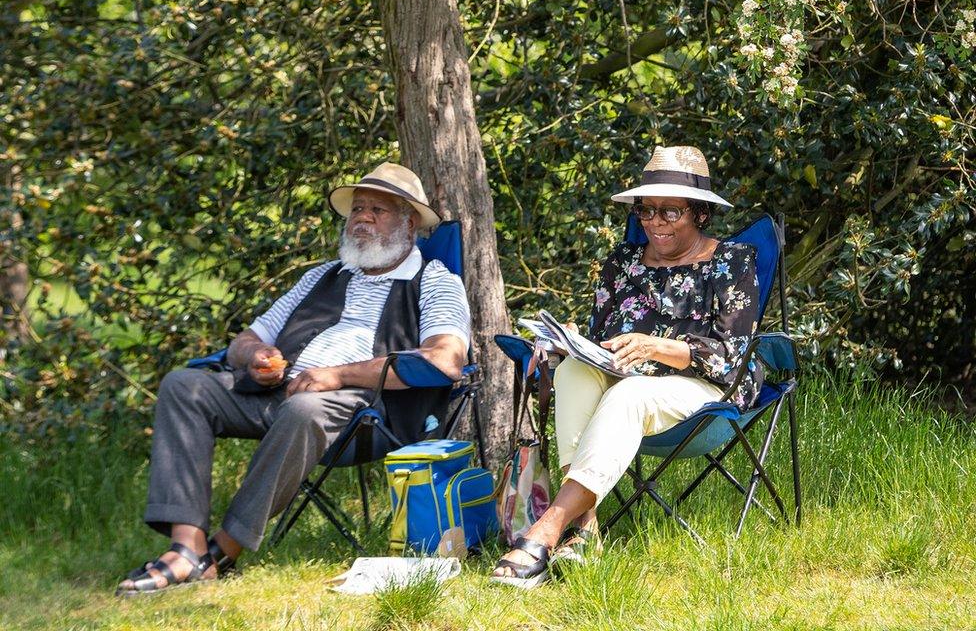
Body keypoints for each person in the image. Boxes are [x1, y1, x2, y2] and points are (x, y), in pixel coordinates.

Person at [118, 162, 470, 596]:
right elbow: (244, 341)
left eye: (376, 209)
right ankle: (186, 548)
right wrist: (258, 356)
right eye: (357, 208)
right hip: (280, 394)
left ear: (409, 222)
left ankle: (221, 552)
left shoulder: (433, 280)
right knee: (183, 386)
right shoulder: (321, 276)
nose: (361, 217)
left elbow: (445, 361)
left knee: (306, 407)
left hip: (365, 414)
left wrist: (336, 376)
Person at [492, 145, 762, 588]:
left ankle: (546, 530)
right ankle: (587, 528)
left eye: (669, 212)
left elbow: (731, 355)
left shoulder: (731, 262)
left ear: (699, 214)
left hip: (705, 388)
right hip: (624, 378)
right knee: (574, 373)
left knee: (628, 394)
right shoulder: (623, 264)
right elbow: (604, 339)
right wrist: (569, 343)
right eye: (647, 211)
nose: (655, 222)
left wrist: (658, 347)